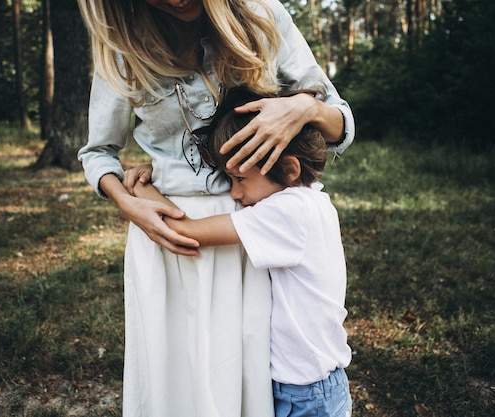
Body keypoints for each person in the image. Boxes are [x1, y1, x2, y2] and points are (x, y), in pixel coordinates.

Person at [76, 0, 355, 415]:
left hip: (247, 233)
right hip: (166, 233)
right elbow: (98, 151)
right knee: (177, 380)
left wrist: (305, 107)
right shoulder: (122, 44)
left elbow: (339, 125)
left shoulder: (261, 14)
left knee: (244, 381)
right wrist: (127, 201)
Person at [133, 86, 352, 417]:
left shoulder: (287, 212)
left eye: (239, 179)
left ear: (289, 170)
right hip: (317, 383)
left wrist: (140, 189)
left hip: (305, 393)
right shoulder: (313, 202)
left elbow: (186, 230)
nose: (234, 193)